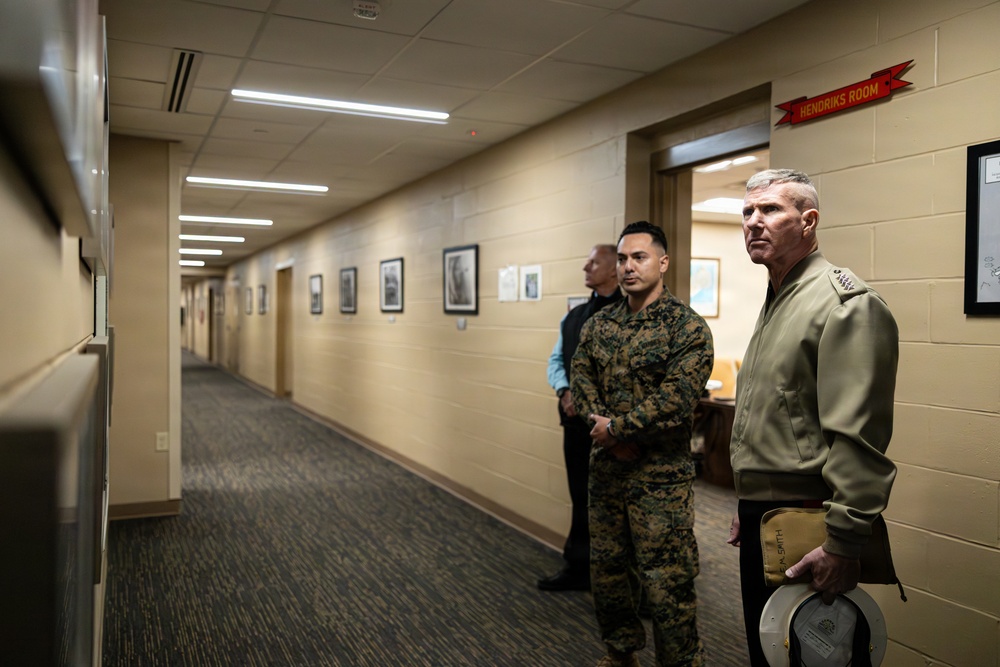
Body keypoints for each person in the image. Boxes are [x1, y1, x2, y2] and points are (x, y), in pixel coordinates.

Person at [725, 169, 899, 666]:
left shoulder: (844, 304)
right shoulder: (779, 297)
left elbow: (858, 439)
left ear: (809, 221)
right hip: (767, 514)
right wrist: (748, 496)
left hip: (813, 521)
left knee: (816, 655)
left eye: (770, 210)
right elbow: (777, 413)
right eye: (747, 212)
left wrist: (844, 544)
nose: (754, 222)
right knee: (772, 651)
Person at [572, 221, 714, 667]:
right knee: (609, 571)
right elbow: (581, 377)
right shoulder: (600, 325)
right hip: (609, 471)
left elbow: (676, 400)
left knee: (667, 582)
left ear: (663, 262)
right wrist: (607, 435)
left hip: (661, 481)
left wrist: (617, 430)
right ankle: (620, 653)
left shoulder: (686, 328)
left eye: (639, 257)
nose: (628, 267)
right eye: (622, 259)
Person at [539, 244, 623, 592]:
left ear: (615, 269)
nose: (585, 267)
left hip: (616, 430)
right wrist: (564, 390)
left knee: (616, 503)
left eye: (593, 262)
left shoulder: (630, 313)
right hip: (577, 427)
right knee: (580, 494)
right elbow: (556, 362)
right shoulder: (574, 316)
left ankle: (618, 579)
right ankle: (578, 566)